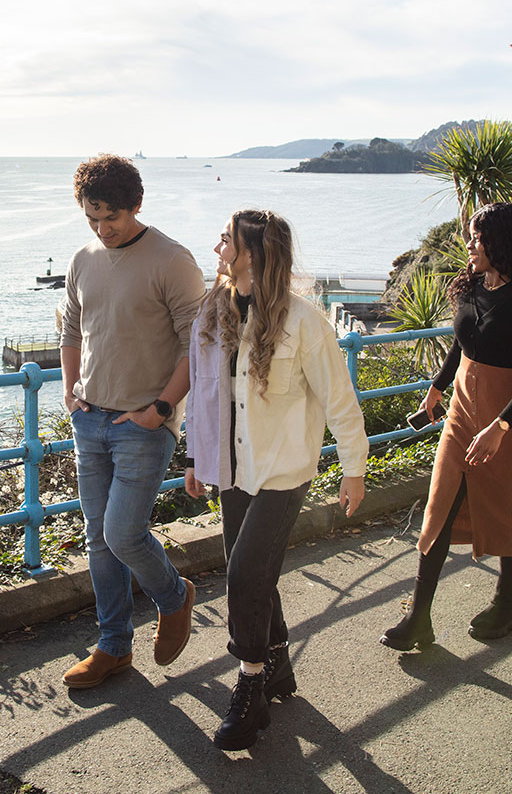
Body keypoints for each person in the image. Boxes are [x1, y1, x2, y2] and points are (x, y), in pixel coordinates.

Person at [184, 209, 368, 750]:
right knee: (256, 572)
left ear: (255, 255)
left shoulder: (304, 322)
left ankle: (249, 691)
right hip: (232, 471)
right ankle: (279, 664)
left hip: (284, 472)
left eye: (229, 239)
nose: (218, 244)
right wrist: (195, 457)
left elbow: (340, 399)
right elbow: (201, 391)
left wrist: (353, 471)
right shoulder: (213, 312)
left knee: (243, 574)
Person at [379, 202, 512, 650]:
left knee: (503, 503)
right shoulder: (470, 286)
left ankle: (507, 604)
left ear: (502, 242)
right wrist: (437, 387)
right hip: (463, 406)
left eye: (477, 237)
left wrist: (502, 426)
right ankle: (418, 617)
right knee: (440, 503)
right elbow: (460, 343)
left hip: (509, 412)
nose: (470, 245)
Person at [60, 154, 206, 688]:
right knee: (98, 539)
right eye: (92, 219)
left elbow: (198, 343)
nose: (102, 229)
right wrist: (70, 394)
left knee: (122, 534)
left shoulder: (172, 260)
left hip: (142, 424)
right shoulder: (83, 257)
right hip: (90, 419)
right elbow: (72, 329)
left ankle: (174, 595)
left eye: (111, 218)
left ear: (136, 205)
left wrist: (162, 408)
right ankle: (113, 646)